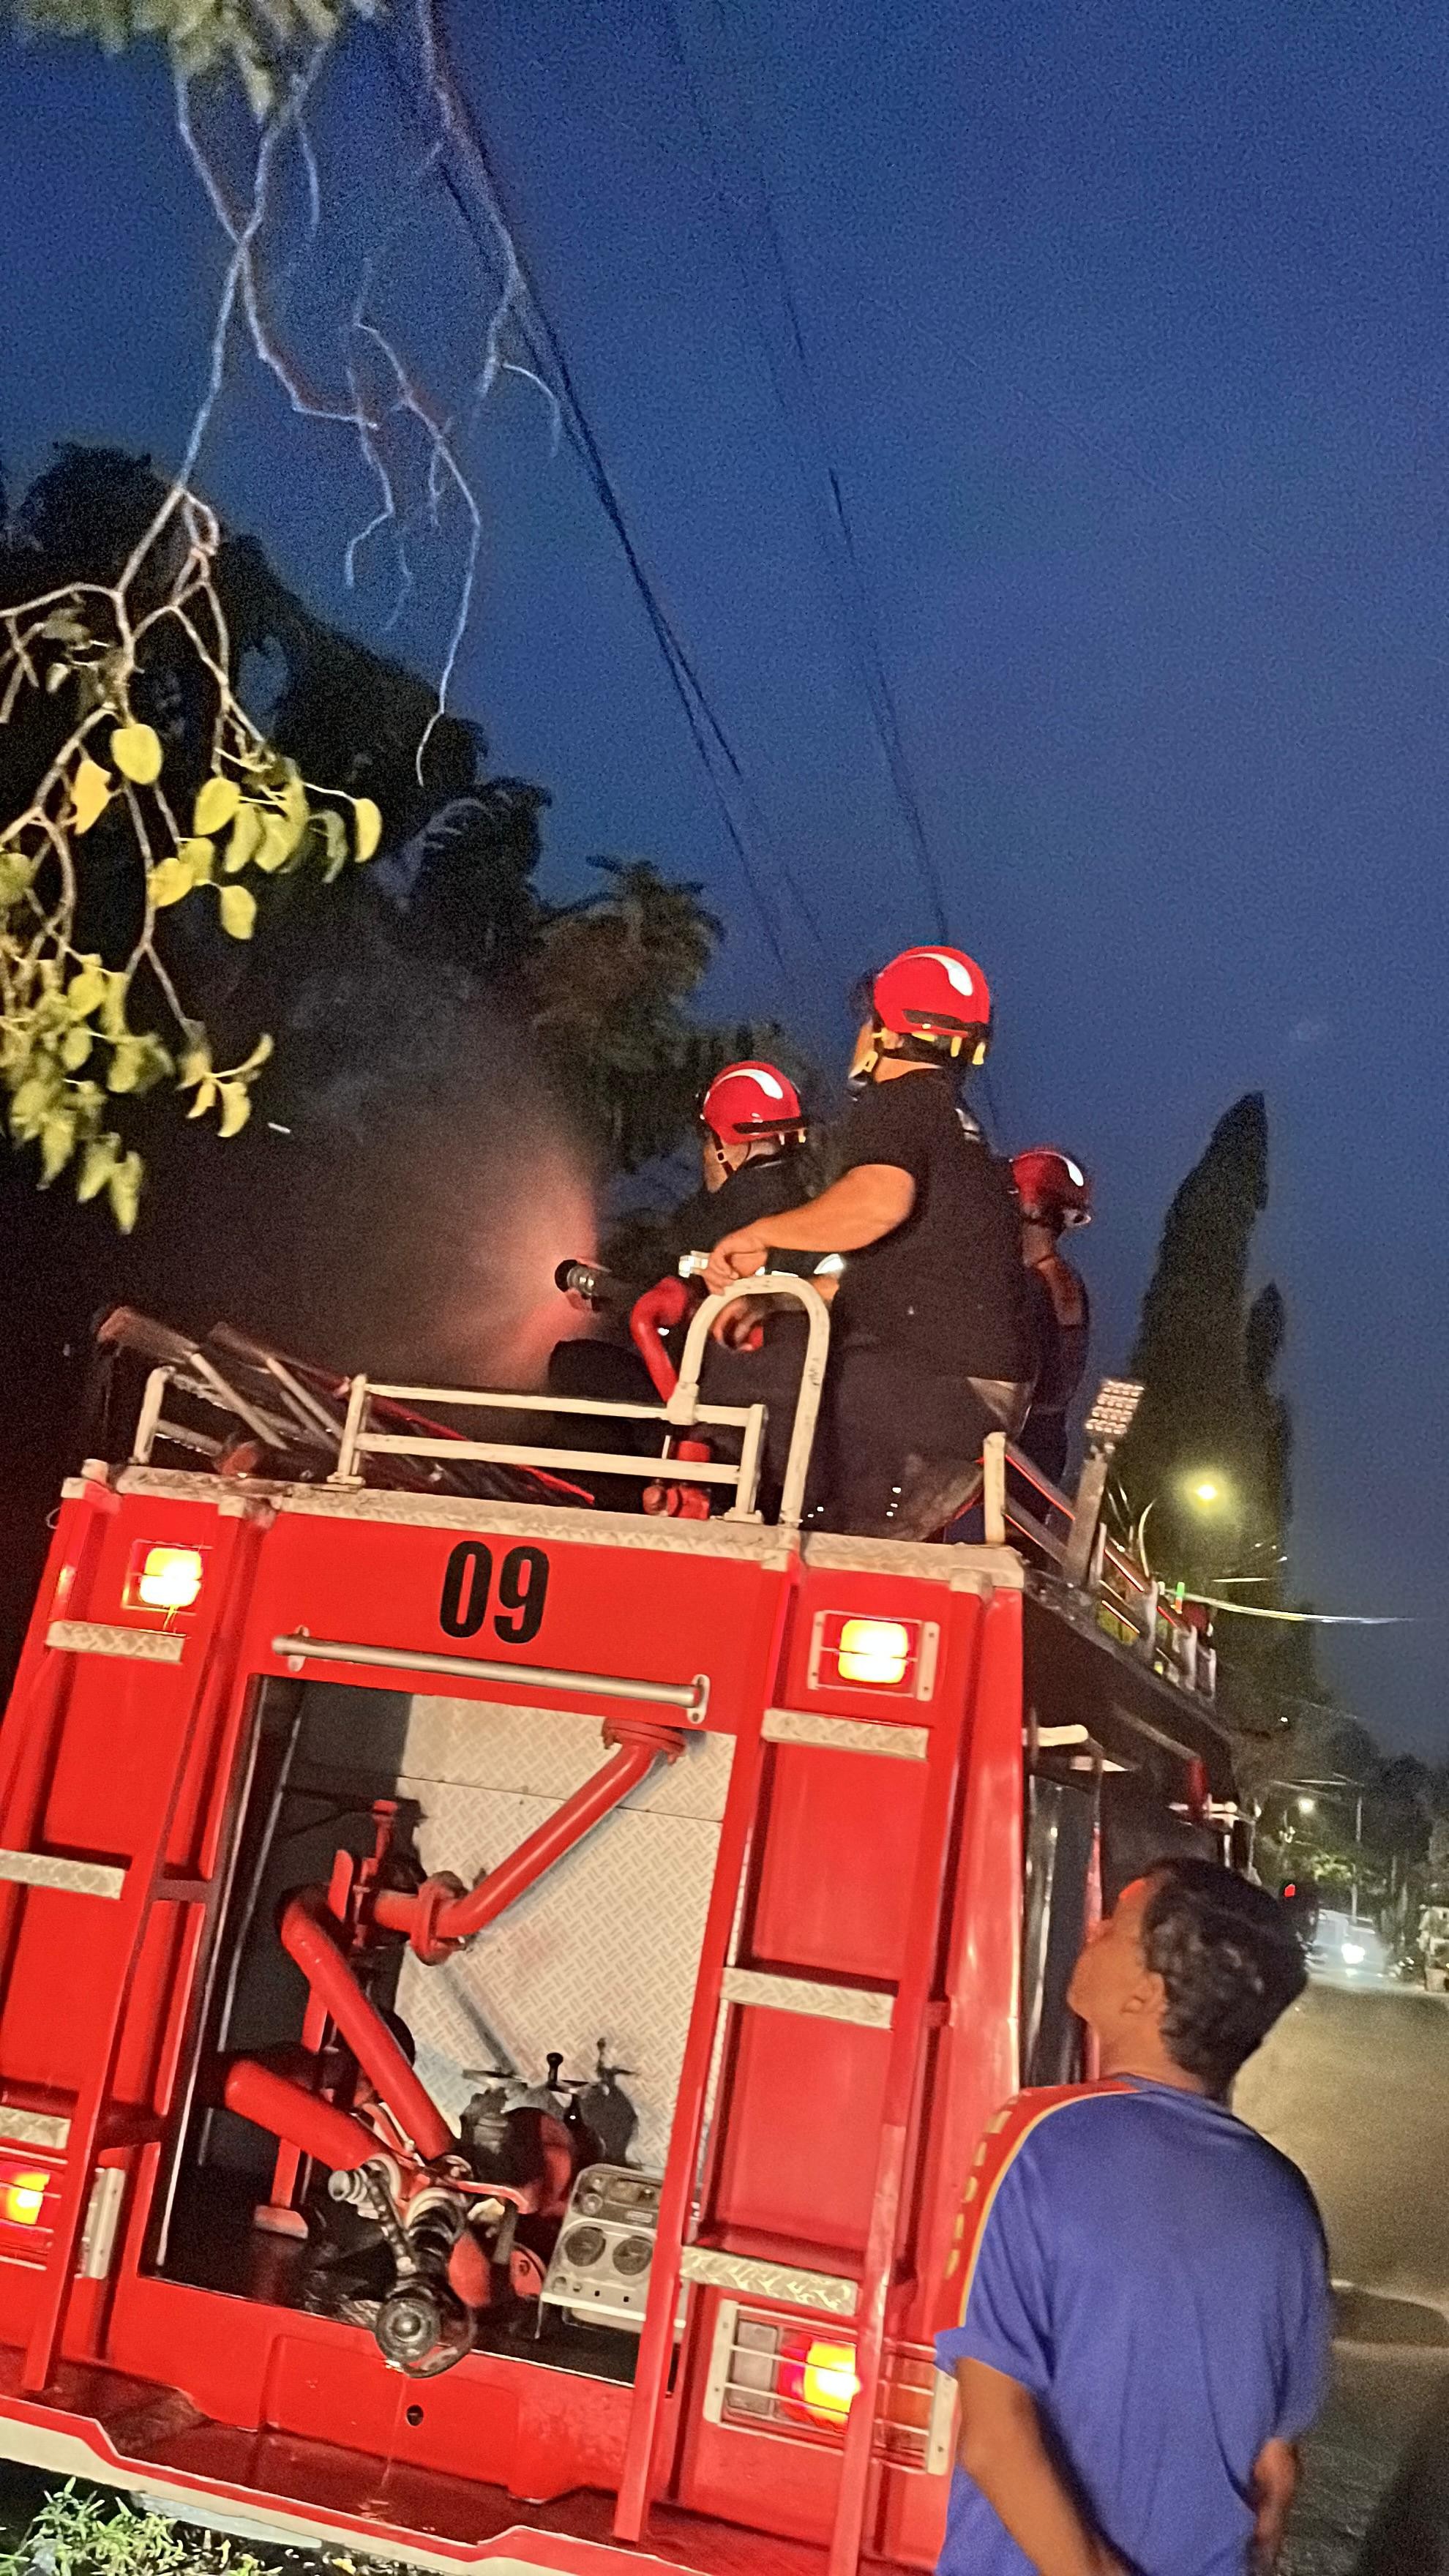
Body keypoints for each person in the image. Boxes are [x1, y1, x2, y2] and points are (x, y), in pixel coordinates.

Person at [935, 1861, 1330, 2576]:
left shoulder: (1037, 2138)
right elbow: (1274, 2479)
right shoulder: (1286, 2202)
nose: (1092, 1930)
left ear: (1145, 1996)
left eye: (1114, 1925)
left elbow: (996, 2437)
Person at [704, 946, 1036, 1538]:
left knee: (730, 1373)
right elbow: (885, 1278)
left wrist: (760, 1235)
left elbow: (879, 1202)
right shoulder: (957, 1130)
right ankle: (814, 1522)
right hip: (967, 1403)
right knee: (791, 1342)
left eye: (867, 1021)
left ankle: (747, 1523)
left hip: (929, 1396)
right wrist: (776, 1296)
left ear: (885, 1033)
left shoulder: (900, 1101)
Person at [1011, 1147, 1093, 1489]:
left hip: (1012, 1449)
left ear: (1028, 1206)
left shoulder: (1029, 1285)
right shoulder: (1066, 1281)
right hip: (1043, 1450)